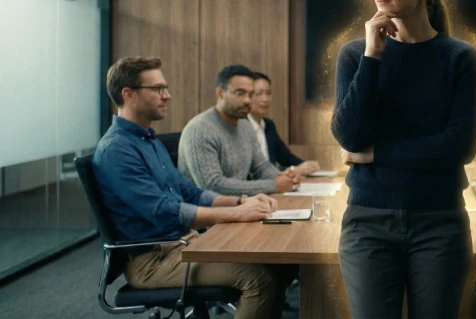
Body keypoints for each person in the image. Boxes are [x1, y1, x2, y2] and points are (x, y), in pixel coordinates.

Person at [331, 0, 476, 319]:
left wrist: (377, 154)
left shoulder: (460, 57)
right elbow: (350, 136)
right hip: (367, 222)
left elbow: (460, 146)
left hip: (439, 223)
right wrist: (373, 56)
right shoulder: (355, 54)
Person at [93, 57, 284, 318]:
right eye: (158, 89)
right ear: (128, 95)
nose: (167, 95)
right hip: (153, 261)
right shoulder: (117, 149)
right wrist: (237, 213)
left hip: (182, 243)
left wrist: (240, 202)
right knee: (259, 278)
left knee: (275, 263)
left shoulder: (148, 139)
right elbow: (164, 211)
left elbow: (190, 192)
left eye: (165, 88)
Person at [179, 65, 300, 195]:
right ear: (220, 93)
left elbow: (261, 167)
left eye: (251, 94)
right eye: (240, 93)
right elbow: (212, 186)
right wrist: (273, 185)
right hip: (206, 211)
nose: (248, 100)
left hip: (238, 206)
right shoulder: (200, 129)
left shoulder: (245, 126)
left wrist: (283, 178)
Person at [248, 72, 321, 175]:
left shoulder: (268, 125)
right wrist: (293, 171)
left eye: (268, 93)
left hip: (272, 186)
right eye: (258, 93)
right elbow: (252, 173)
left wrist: (306, 165)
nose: (265, 99)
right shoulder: (240, 128)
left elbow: (285, 157)